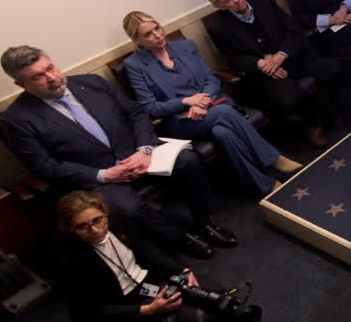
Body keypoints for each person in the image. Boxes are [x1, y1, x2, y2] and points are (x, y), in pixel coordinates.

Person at [0, 46, 238, 260]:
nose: (52, 77)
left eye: (50, 68)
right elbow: (44, 166)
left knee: (188, 160)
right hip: (97, 177)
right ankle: (180, 237)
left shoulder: (91, 83)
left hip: (138, 154)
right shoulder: (17, 120)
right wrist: (104, 174)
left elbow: (136, 113)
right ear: (21, 84)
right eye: (38, 76)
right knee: (125, 207)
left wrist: (144, 149)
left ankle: (204, 223)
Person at [54, 191, 261, 322]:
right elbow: (95, 311)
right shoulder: (68, 260)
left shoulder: (116, 217)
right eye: (83, 227)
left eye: (98, 220)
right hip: (122, 302)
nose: (95, 230)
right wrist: (149, 309)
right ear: (70, 229)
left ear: (104, 212)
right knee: (198, 319)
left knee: (215, 291)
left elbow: (146, 249)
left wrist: (181, 269)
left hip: (145, 280)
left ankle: (219, 309)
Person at [120, 11, 301, 196]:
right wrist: (186, 101)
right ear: (137, 40)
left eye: (157, 28)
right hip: (182, 121)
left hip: (211, 105)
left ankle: (264, 184)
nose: (158, 35)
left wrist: (202, 103)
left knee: (223, 133)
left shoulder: (186, 46)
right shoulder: (135, 65)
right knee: (224, 112)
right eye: (148, 34)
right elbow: (150, 107)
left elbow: (211, 80)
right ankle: (273, 159)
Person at [203, 0, 341, 148]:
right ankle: (314, 124)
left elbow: (293, 30)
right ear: (219, 6)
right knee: (288, 97)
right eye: (227, 0)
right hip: (266, 72)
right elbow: (233, 60)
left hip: (291, 57)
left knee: (331, 68)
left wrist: (282, 54)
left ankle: (326, 111)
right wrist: (260, 63)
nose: (236, 0)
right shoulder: (217, 27)